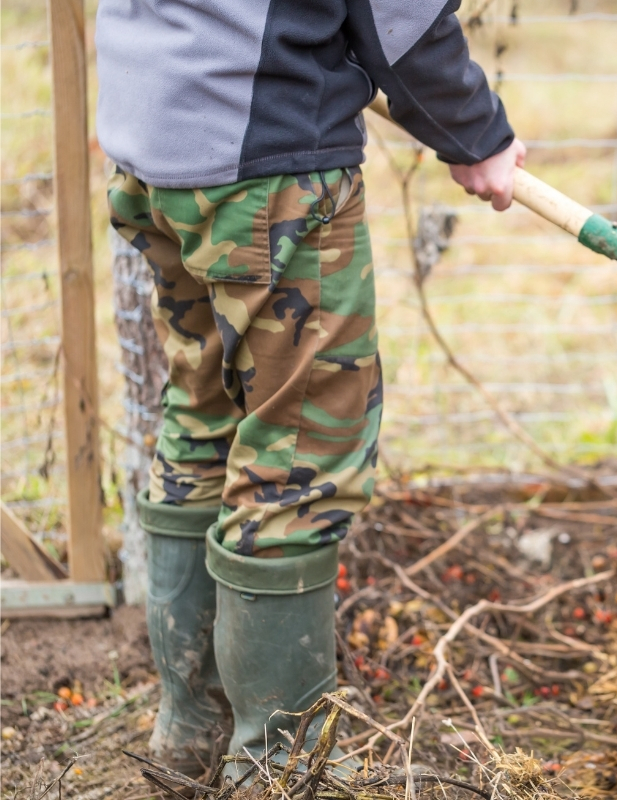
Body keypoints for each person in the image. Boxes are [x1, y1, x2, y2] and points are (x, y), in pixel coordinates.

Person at [96, 0, 524, 777]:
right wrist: (477, 134)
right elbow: (399, 19)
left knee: (205, 414)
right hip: (266, 167)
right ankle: (282, 772)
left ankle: (191, 734)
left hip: (151, 146)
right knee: (297, 451)